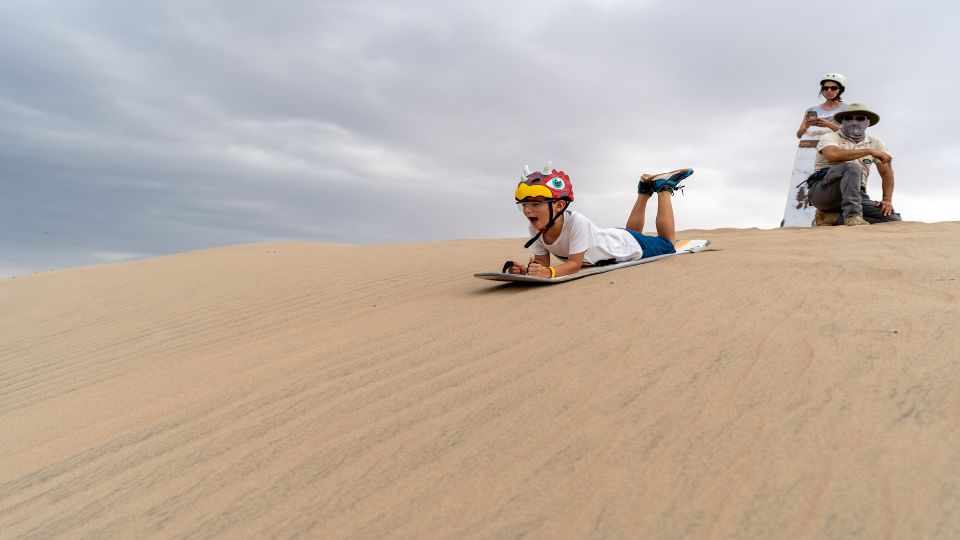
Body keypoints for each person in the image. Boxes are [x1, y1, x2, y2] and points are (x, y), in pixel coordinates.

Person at [506, 164, 693, 278]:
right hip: (617, 239)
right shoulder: (536, 229)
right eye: (523, 205)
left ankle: (664, 188)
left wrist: (548, 273)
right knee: (633, 236)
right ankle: (644, 190)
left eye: (536, 204)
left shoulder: (576, 222)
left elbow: (574, 265)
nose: (527, 210)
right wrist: (528, 271)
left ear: (559, 205)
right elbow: (543, 265)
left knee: (668, 244)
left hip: (629, 247)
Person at [805, 103, 901, 226]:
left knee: (892, 219)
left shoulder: (876, 143)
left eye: (860, 118)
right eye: (849, 118)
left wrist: (887, 200)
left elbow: (886, 172)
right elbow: (833, 154)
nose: (854, 121)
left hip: (856, 194)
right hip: (825, 191)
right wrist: (868, 151)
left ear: (867, 123)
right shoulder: (830, 137)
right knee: (851, 167)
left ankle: (832, 218)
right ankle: (852, 216)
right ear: (843, 122)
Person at [795, 73, 849, 140]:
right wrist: (806, 126)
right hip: (812, 147)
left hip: (836, 147)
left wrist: (829, 125)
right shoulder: (812, 110)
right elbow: (799, 135)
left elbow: (850, 134)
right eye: (825, 88)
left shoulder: (848, 109)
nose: (829, 91)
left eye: (833, 88)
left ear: (841, 89)